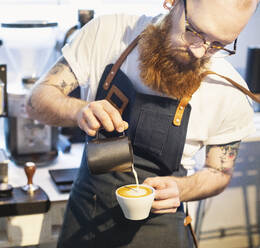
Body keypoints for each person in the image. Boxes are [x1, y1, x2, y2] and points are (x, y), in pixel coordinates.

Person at [26, 0, 259, 247]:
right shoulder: (110, 33)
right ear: (173, 3)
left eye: (219, 45)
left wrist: (183, 188)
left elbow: (219, 173)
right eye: (195, 33)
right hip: (86, 217)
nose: (200, 52)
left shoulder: (230, 91)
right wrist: (79, 111)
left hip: (161, 227)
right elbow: (35, 102)